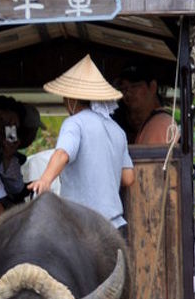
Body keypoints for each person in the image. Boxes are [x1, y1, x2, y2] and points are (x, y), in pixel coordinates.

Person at [27, 55, 134, 231]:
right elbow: (128, 178)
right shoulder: (117, 130)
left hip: (83, 227)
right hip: (114, 227)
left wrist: (45, 180)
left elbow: (62, 153)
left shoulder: (74, 122)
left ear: (71, 98)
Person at [115, 62, 176, 145]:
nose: (128, 93)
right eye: (123, 89)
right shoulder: (120, 120)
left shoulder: (159, 123)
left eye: (134, 86)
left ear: (152, 87)